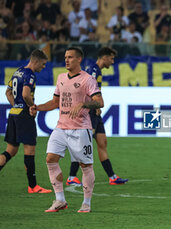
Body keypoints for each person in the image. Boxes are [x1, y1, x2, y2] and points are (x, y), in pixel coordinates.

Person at [31, 47, 104, 213]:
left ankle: (86, 203)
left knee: (85, 165)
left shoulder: (88, 80)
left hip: (80, 129)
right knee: (50, 159)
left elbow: (100, 102)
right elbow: (55, 102)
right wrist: (38, 107)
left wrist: (84, 104)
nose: (66, 60)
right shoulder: (61, 77)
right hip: (61, 127)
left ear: (79, 59)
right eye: (65, 57)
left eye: (70, 57)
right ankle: (60, 200)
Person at [66, 47, 128, 186]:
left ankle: (112, 177)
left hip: (95, 112)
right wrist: (90, 105)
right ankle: (71, 177)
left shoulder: (96, 70)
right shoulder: (93, 70)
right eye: (111, 59)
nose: (112, 62)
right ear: (104, 57)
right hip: (89, 113)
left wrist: (97, 105)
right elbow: (85, 89)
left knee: (102, 142)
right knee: (83, 144)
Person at [0, 49, 52, 194]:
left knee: (10, 151)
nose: (43, 67)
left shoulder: (18, 71)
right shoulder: (30, 74)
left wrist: (15, 105)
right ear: (35, 61)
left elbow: (8, 92)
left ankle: (33, 186)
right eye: (42, 64)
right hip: (23, 115)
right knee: (30, 150)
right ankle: (33, 186)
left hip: (14, 114)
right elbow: (25, 94)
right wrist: (31, 106)